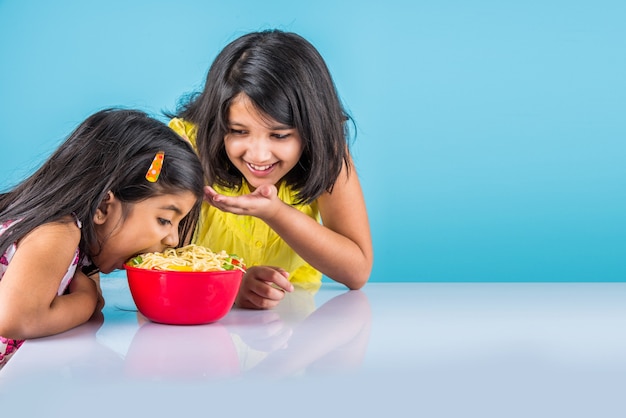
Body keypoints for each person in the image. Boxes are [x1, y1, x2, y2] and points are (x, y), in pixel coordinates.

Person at [168, 29, 373, 310]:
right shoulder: (183, 147)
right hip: (196, 319)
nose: (259, 155)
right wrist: (231, 287)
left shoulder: (326, 152)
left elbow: (357, 271)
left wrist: (276, 213)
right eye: (239, 131)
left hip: (288, 324)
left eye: (279, 135)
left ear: (311, 130)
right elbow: (154, 258)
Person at [0, 108, 205, 369]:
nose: (173, 240)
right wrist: (85, 302)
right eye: (165, 220)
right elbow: (15, 319)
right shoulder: (57, 231)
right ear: (103, 208)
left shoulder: (82, 250)